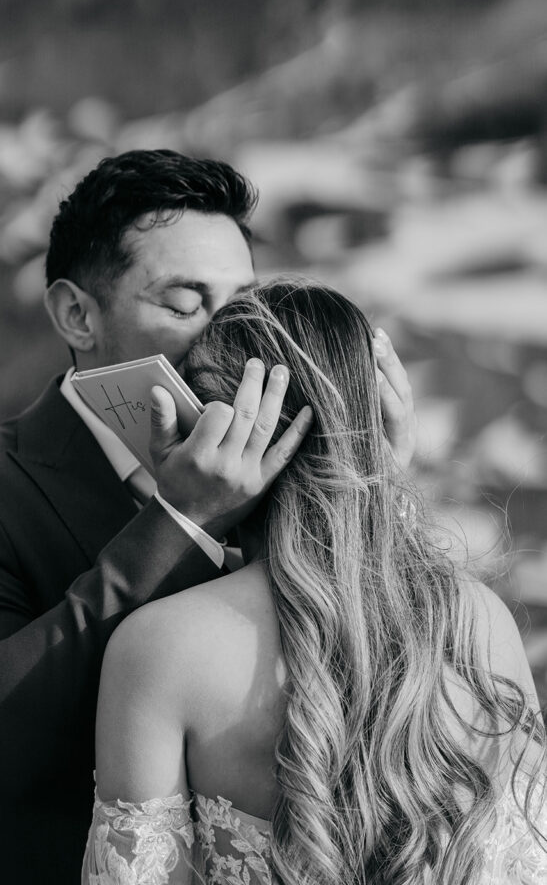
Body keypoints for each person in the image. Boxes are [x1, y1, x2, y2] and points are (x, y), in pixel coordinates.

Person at [0, 151, 414, 885]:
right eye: (185, 304)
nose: (225, 337)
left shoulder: (283, 461)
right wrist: (182, 521)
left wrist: (373, 487)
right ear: (78, 315)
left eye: (241, 304)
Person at [85, 279, 547, 885]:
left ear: (210, 431)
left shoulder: (161, 649)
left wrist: (185, 511)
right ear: (376, 419)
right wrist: (375, 482)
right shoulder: (478, 621)